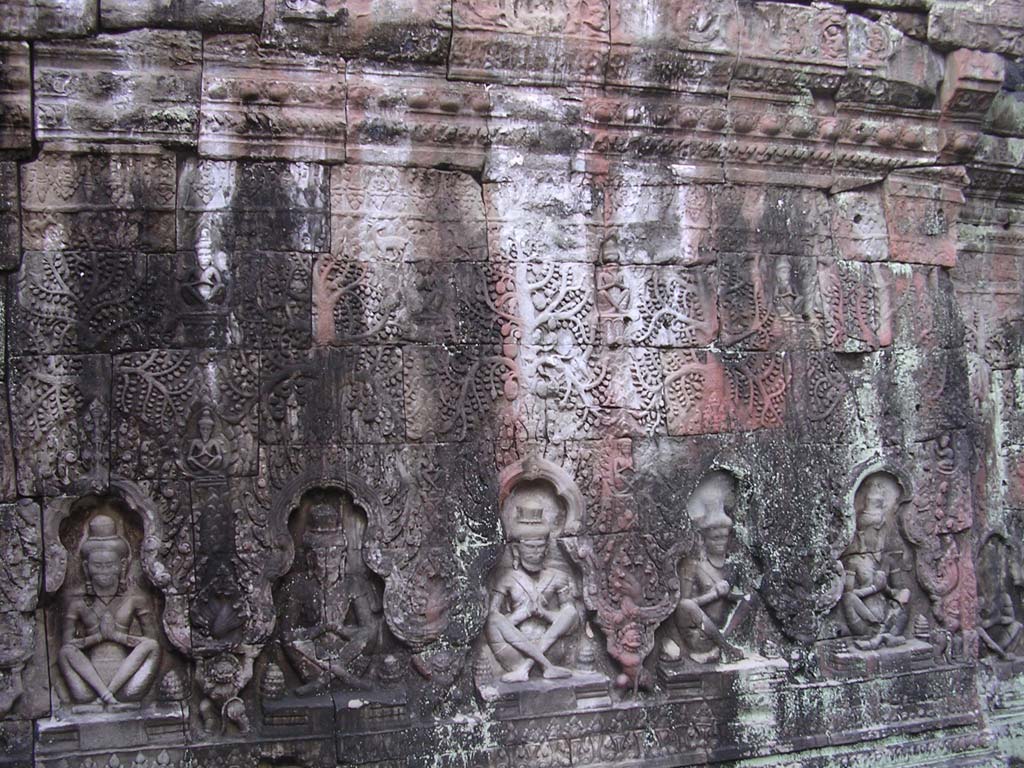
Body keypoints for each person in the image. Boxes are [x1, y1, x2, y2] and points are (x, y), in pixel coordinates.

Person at [58, 514, 160, 706]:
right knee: (65, 651)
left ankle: (108, 695)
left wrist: (116, 637)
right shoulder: (78, 603)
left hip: (128, 685)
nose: (104, 572)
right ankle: (105, 694)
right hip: (88, 687)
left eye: (109, 565)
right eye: (97, 566)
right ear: (86, 567)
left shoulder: (135, 599)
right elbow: (69, 646)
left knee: (152, 646)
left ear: (122, 566)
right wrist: (98, 638)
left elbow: (151, 640)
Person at [485, 535, 580, 683]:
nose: (535, 553)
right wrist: (521, 615)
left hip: (550, 647)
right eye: (530, 547)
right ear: (516, 550)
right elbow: (493, 619)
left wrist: (544, 614)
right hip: (515, 652)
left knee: (572, 612)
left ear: (547, 548)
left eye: (540, 547)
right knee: (492, 619)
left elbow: (571, 620)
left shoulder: (558, 577)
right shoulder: (507, 578)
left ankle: (526, 668)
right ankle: (545, 667)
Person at [839, 475, 910, 650]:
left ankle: (884, 635)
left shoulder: (889, 560)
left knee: (905, 598)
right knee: (848, 598)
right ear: (862, 534)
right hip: (865, 619)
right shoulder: (854, 561)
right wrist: (873, 588)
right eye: (874, 530)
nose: (878, 535)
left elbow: (901, 590)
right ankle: (879, 635)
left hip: (888, 615)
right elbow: (849, 594)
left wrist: (887, 590)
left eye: (881, 530)